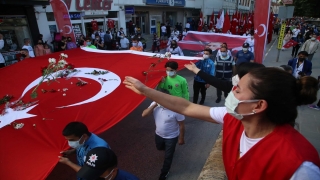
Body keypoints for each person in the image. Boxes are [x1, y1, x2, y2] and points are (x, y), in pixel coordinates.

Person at [123, 68, 320, 180]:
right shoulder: (233, 117)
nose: (231, 91)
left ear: (259, 106)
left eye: (238, 90)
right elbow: (186, 107)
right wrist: (145, 91)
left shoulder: (300, 165)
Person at [142, 89, 185, 180]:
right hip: (158, 134)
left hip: (172, 137)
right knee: (159, 147)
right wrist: (154, 105)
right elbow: (144, 115)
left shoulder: (176, 109)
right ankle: (168, 149)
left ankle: (164, 173)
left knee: (168, 156)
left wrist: (181, 138)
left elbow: (181, 125)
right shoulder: (155, 104)